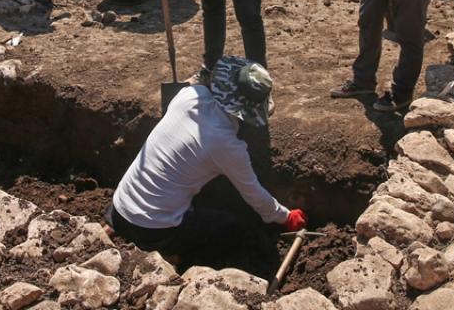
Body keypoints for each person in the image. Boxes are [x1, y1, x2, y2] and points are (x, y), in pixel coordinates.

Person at [106, 57, 306, 268]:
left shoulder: (190, 95)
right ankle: (172, 255)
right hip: (153, 230)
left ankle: (118, 228)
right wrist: (286, 217)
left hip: (118, 208)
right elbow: (254, 194)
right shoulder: (227, 145)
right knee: (231, 228)